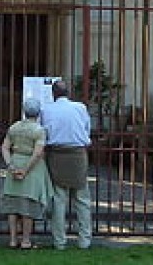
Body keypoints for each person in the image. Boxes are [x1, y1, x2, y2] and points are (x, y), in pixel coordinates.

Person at [40, 79, 92, 250]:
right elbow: (86, 130)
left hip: (57, 155)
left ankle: (59, 242)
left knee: (58, 200)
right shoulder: (80, 108)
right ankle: (85, 240)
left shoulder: (46, 109)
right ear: (68, 93)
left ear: (53, 94)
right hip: (77, 154)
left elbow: (43, 133)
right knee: (82, 200)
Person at [0, 97, 54, 249]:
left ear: (24, 111)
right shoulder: (39, 130)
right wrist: (25, 170)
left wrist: (10, 166)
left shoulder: (14, 127)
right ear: (38, 114)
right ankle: (25, 241)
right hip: (32, 168)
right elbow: (37, 154)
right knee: (27, 206)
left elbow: (4, 147)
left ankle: (12, 240)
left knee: (12, 204)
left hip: (15, 161)